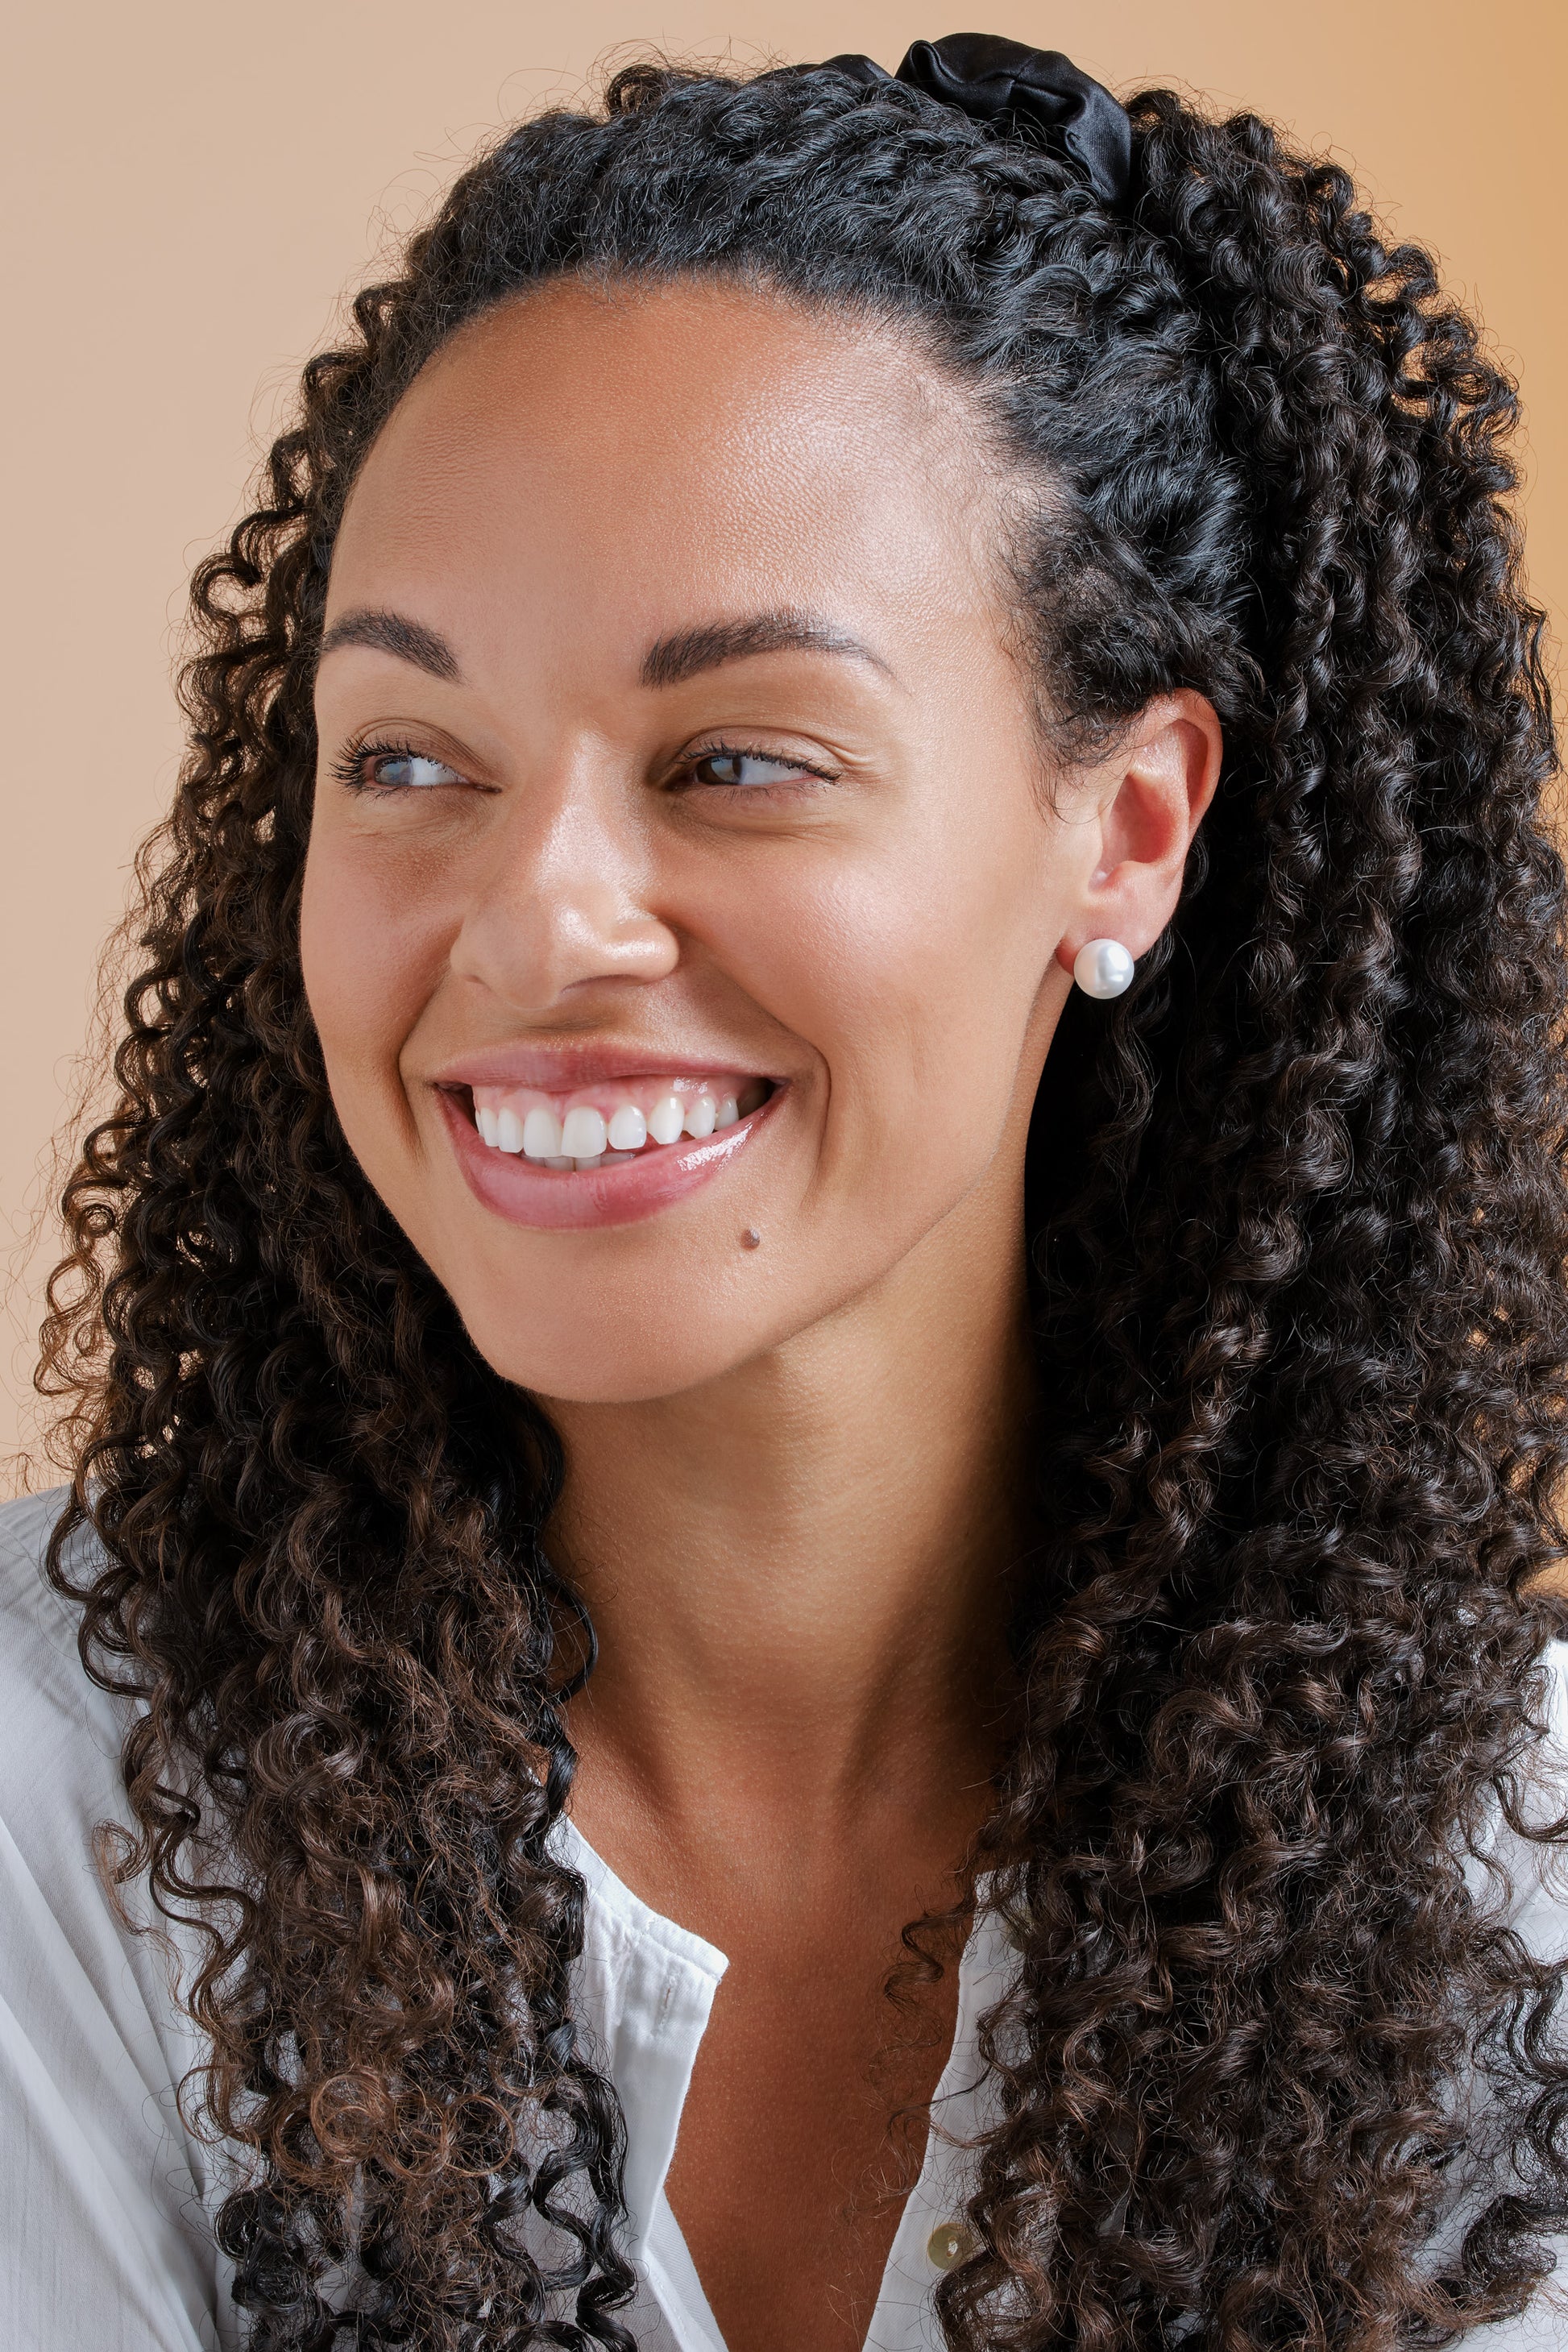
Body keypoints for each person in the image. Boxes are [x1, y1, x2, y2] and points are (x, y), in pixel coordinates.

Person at [4, 33, 1567, 2352]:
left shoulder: (1507, 1883)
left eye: (738, 757)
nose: (533, 924)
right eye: (408, 753)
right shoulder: (60, 1807)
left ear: (1126, 828)